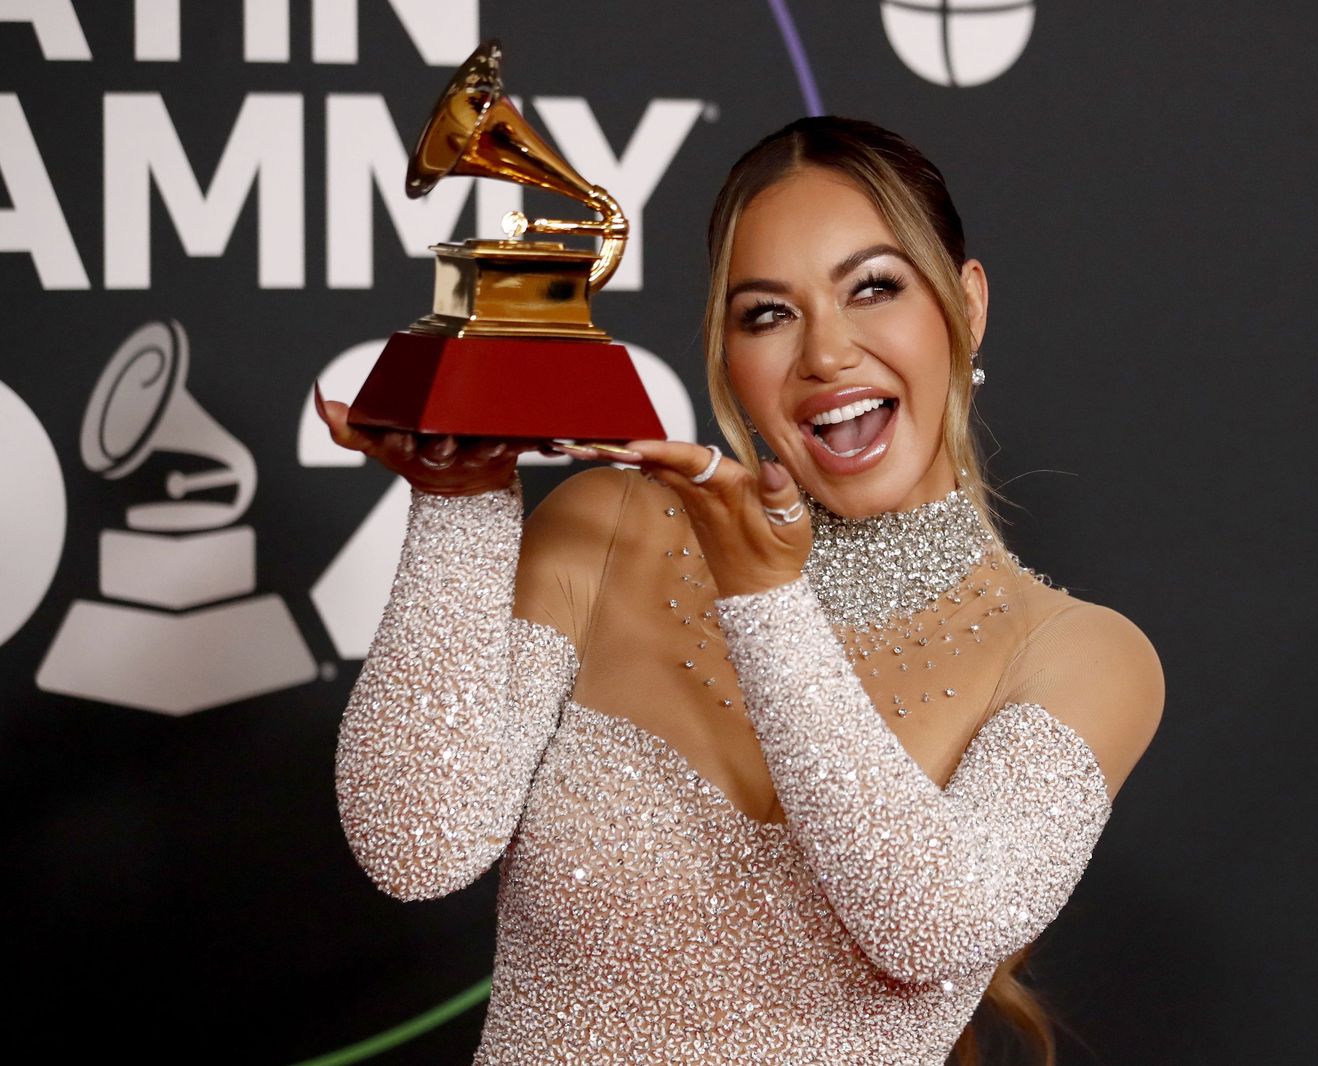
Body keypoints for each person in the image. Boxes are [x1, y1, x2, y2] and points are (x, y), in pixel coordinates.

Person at [317, 116, 1164, 1066]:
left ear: (966, 305)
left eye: (873, 289)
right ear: (726, 355)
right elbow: (416, 843)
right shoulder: (602, 529)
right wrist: (459, 504)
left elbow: (926, 925)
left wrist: (763, 597)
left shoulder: (1080, 655)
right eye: (768, 313)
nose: (826, 356)